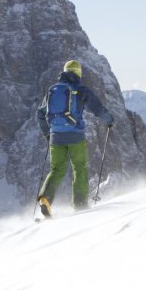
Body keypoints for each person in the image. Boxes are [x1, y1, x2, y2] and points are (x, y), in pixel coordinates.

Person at [36, 60, 114, 218]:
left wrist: (48, 134)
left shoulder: (52, 90)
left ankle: (45, 199)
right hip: (75, 136)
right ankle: (79, 204)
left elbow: (40, 114)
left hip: (56, 137)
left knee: (57, 170)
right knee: (80, 168)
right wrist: (109, 120)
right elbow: (96, 107)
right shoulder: (80, 89)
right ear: (78, 73)